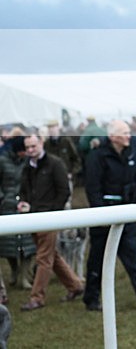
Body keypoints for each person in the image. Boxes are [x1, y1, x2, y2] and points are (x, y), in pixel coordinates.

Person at [83, 120, 136, 312]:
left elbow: (135, 183)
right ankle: (91, 299)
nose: (129, 136)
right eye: (125, 132)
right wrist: (101, 215)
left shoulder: (131, 153)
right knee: (97, 259)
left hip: (127, 214)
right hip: (104, 217)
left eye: (129, 132)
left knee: (134, 257)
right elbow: (93, 189)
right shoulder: (97, 157)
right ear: (113, 136)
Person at [17, 133, 84, 311]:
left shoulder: (55, 164)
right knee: (51, 256)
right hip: (33, 217)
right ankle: (75, 286)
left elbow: (64, 192)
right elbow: (24, 189)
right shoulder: (28, 167)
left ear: (41, 143)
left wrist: (52, 213)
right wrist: (23, 202)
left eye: (33, 146)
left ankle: (37, 297)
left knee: (44, 258)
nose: (30, 150)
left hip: (48, 218)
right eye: (28, 147)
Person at [0, 135, 36, 298]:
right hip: (6, 205)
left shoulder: (28, 163)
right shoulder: (2, 161)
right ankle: (14, 271)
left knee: (27, 243)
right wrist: (3, 198)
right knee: (9, 243)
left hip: (24, 204)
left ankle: (24, 276)